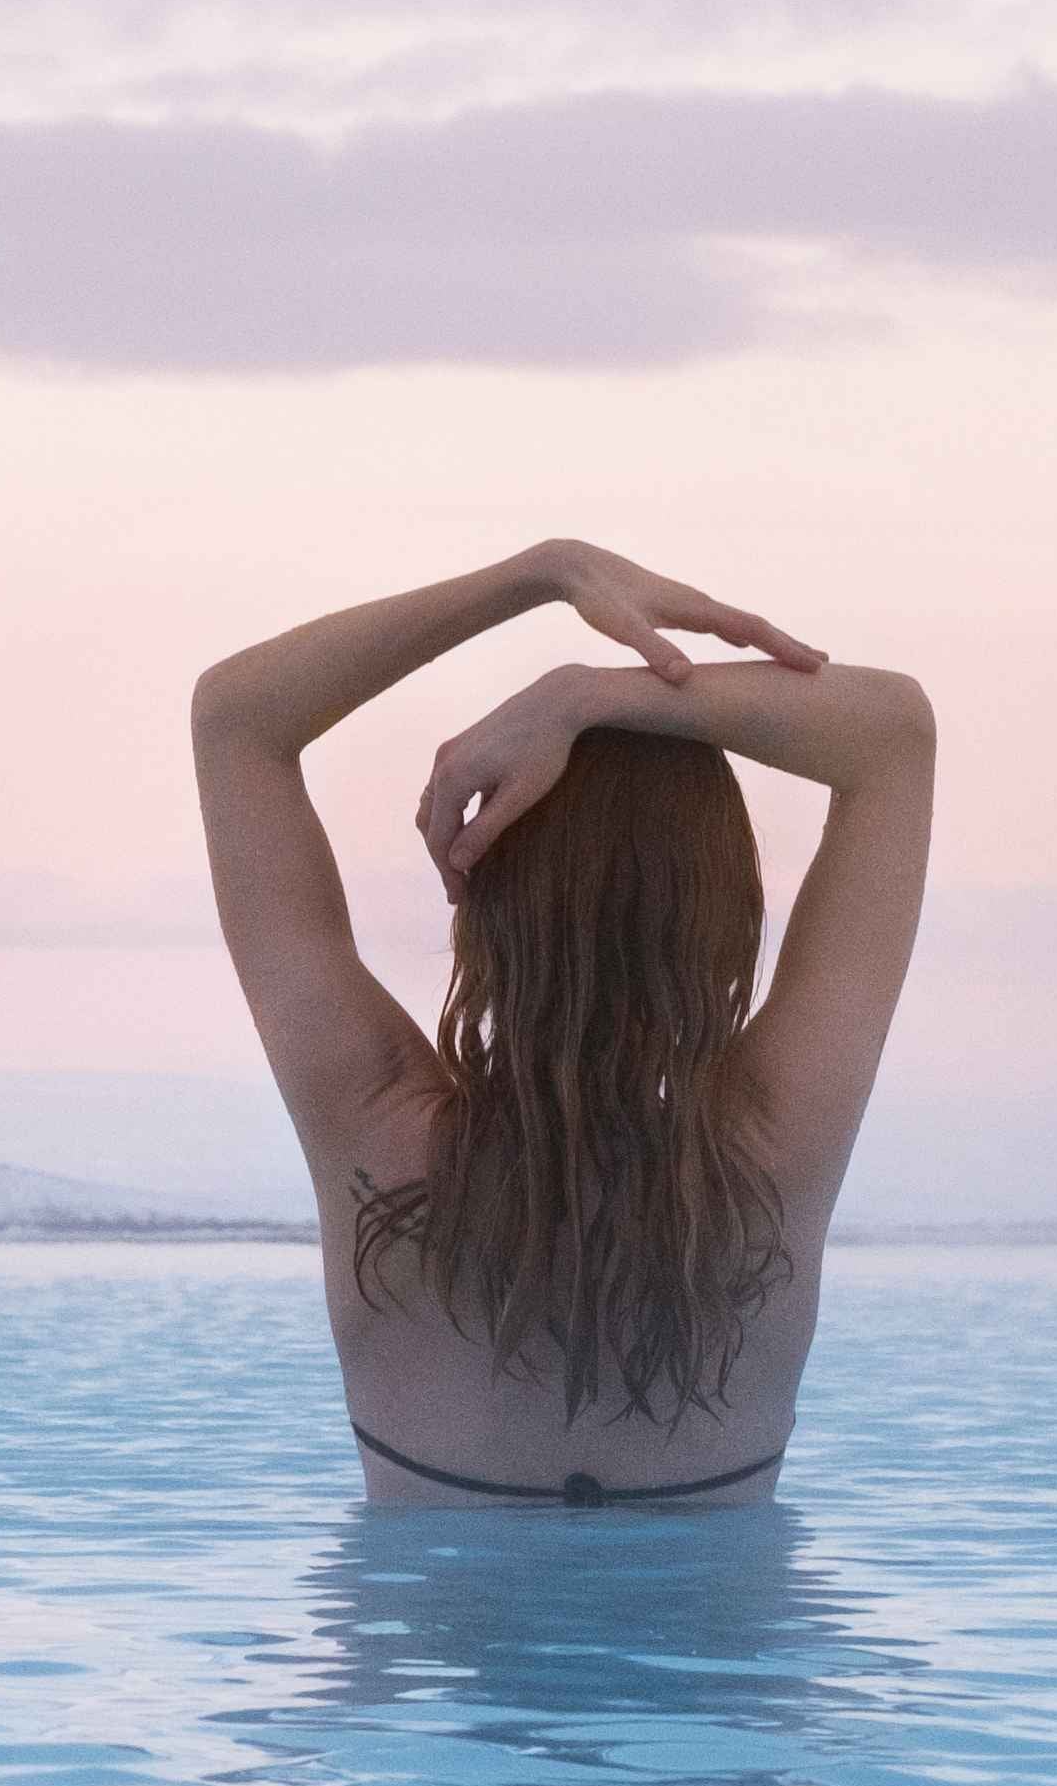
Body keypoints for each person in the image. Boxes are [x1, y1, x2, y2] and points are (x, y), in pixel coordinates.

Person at [191, 540, 934, 1508]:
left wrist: (538, 576)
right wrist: (596, 694)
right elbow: (894, 737)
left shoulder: (370, 1130)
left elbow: (233, 719)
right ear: (719, 916)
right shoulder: (775, 1156)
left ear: (491, 904)